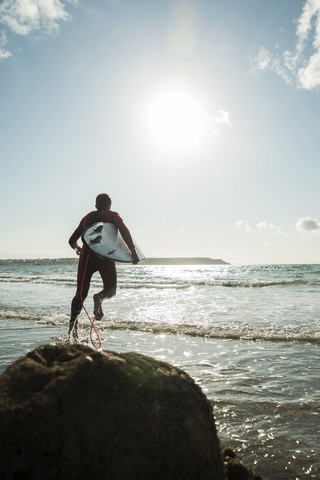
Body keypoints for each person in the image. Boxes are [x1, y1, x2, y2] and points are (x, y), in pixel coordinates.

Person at [68, 193, 139, 340]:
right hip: (105, 254)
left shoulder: (86, 218)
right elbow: (124, 230)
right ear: (109, 205)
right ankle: (100, 297)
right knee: (111, 288)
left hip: (87, 255)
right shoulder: (112, 215)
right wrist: (132, 250)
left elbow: (72, 241)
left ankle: (72, 332)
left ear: (96, 206)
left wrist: (78, 249)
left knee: (80, 294)